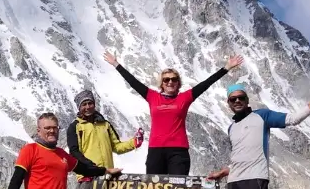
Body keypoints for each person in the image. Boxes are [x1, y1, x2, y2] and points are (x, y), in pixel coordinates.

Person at [103, 51, 243, 175]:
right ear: (162, 84)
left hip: (178, 151)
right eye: (166, 80)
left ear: (178, 83)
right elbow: (133, 82)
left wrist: (226, 67)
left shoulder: (185, 98)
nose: (170, 82)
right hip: (155, 150)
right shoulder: (152, 96)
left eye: (174, 79)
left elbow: (206, 83)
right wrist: (116, 64)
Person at [67, 90, 142, 189]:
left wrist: (134, 143)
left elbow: (117, 146)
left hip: (107, 177)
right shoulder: (75, 127)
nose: (87, 107)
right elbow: (74, 151)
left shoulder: (105, 124)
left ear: (94, 104)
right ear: (79, 107)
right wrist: (89, 166)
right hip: (87, 179)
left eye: (90, 103)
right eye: (84, 104)